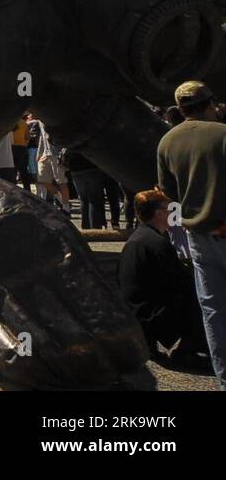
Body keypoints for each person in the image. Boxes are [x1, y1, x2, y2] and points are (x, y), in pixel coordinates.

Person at [157, 81, 226, 388]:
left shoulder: (167, 142)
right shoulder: (222, 134)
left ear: (180, 108)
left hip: (197, 236)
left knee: (213, 311)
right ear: (210, 103)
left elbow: (168, 191)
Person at [118, 188, 211, 370]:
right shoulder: (158, 244)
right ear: (160, 214)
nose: (173, 212)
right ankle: (186, 351)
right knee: (201, 300)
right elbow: (182, 283)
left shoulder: (140, 237)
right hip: (149, 314)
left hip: (134, 309)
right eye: (170, 209)